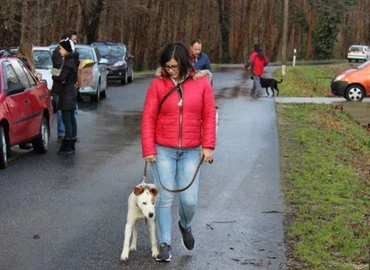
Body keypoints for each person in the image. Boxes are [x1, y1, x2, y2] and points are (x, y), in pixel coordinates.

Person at [141, 42, 216, 262]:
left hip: (192, 150)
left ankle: (185, 225)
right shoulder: (158, 84)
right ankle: (164, 243)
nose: (170, 70)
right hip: (163, 149)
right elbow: (148, 117)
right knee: (164, 199)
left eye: (174, 66)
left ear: (184, 63)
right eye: (167, 66)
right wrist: (148, 148)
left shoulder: (202, 84)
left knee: (189, 200)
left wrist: (208, 145)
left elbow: (210, 115)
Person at [52, 38, 79, 155]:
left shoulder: (68, 63)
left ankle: (67, 145)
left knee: (66, 119)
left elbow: (62, 77)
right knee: (72, 119)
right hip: (72, 92)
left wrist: (53, 75)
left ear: (66, 49)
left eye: (61, 48)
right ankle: (72, 142)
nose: (60, 50)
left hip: (67, 94)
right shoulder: (73, 61)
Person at [16, 42, 36, 150]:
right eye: (32, 48)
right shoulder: (24, 62)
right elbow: (25, 79)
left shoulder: (20, 60)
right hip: (25, 94)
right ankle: (24, 141)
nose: (33, 51)